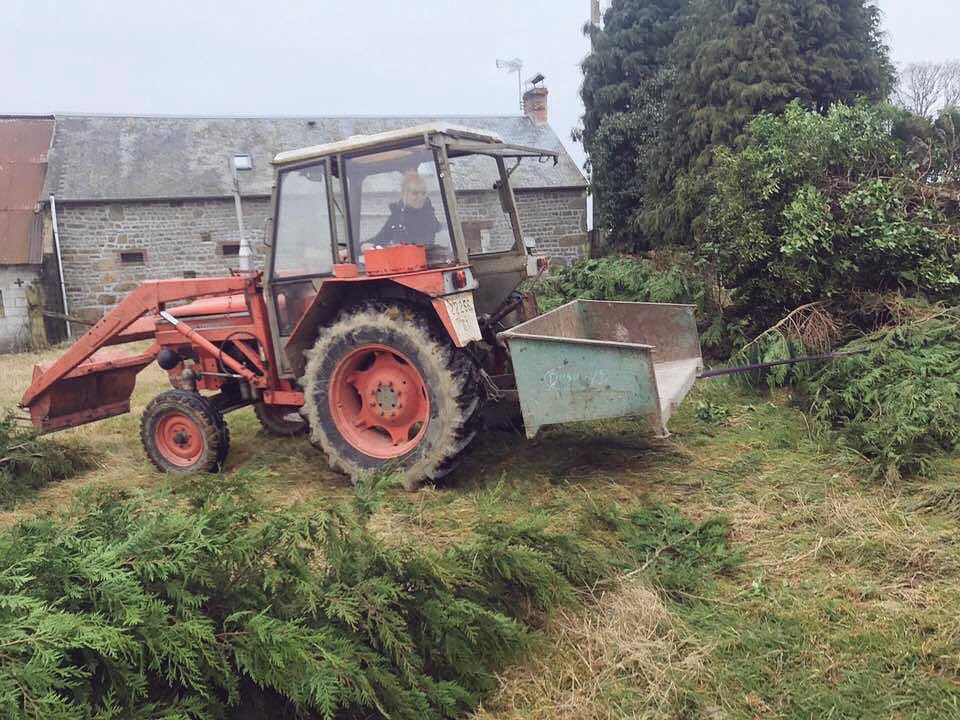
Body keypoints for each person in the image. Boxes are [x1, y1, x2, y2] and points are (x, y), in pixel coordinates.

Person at [362, 171, 441, 251]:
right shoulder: (397, 216)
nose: (420, 197)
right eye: (415, 193)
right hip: (402, 261)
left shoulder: (428, 217)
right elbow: (381, 238)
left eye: (423, 193)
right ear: (404, 194)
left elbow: (422, 244)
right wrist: (361, 246)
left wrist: (391, 248)